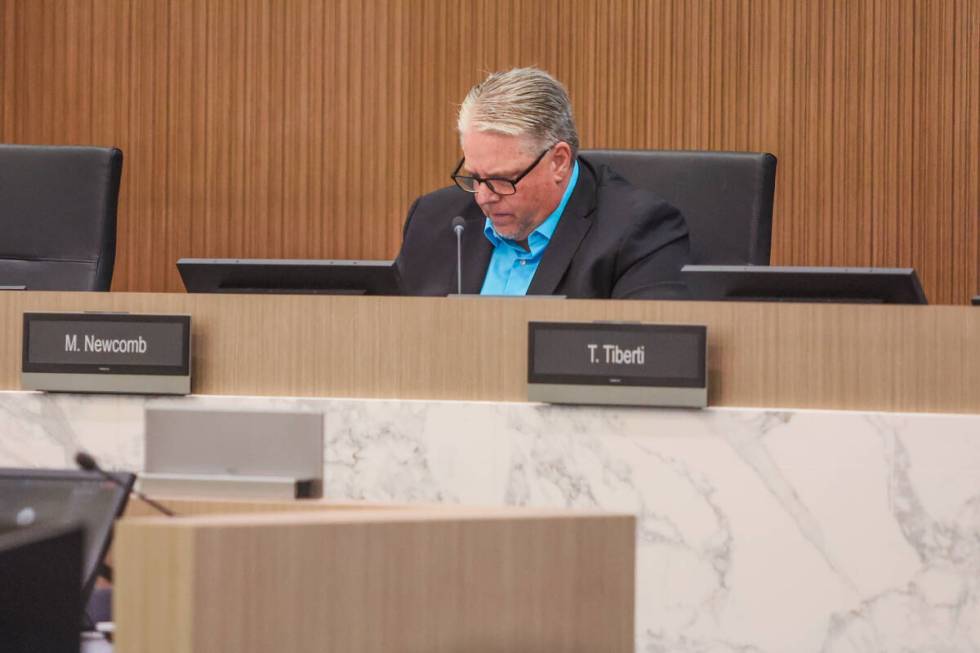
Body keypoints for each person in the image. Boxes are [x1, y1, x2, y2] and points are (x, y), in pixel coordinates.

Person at [395, 67, 690, 299]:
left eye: (501, 180)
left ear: (558, 161)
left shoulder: (637, 232)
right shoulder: (432, 220)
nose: (483, 197)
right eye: (475, 177)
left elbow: (649, 355)